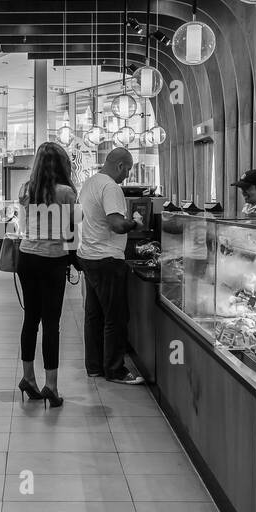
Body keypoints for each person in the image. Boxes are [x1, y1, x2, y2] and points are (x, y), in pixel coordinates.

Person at [15, 143, 77, 408]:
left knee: (31, 319)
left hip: (27, 257)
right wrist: (75, 260)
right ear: (62, 164)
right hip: (53, 260)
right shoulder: (66, 192)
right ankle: (51, 385)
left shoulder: (25, 190)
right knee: (52, 323)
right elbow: (74, 230)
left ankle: (28, 378)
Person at [77, 147, 145, 385]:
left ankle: (94, 366)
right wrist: (134, 223)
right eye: (127, 169)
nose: (127, 175)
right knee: (115, 317)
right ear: (120, 166)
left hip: (89, 255)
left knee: (94, 315)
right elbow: (116, 224)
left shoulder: (89, 183)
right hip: (107, 258)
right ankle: (115, 370)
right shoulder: (111, 187)